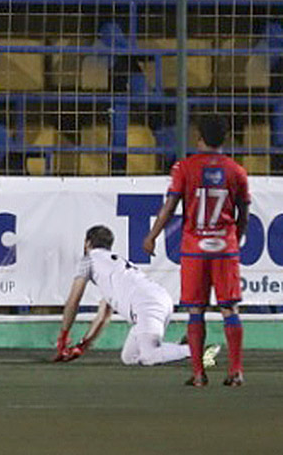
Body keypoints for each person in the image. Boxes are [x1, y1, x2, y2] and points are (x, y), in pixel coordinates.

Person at [142, 116, 250, 387]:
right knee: (230, 308)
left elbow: (170, 206)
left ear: (199, 138)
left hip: (194, 249)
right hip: (225, 248)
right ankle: (235, 371)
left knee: (195, 310)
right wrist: (234, 239)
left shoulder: (184, 168)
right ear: (224, 139)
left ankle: (199, 374)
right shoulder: (237, 171)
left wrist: (153, 235)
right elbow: (244, 212)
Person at [54, 225, 219, 368]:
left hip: (147, 305)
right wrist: (82, 346)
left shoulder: (89, 259)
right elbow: (103, 315)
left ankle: (197, 350)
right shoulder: (112, 268)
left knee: (149, 356)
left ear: (87, 243)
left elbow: (73, 300)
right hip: (157, 300)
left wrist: (63, 335)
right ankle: (182, 347)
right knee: (129, 357)